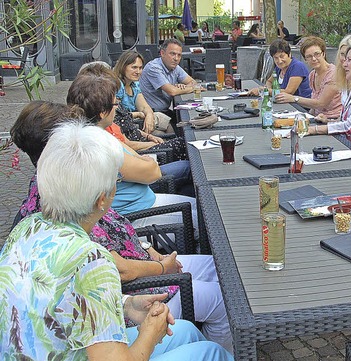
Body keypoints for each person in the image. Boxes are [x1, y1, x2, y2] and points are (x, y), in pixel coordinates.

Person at [10, 101, 232, 352]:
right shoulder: (90, 259)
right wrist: (150, 331)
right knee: (212, 346)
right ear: (101, 198)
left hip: (101, 313)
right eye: (116, 180)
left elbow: (70, 297)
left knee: (191, 329)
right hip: (97, 333)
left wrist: (127, 302)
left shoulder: (31, 223)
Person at [67, 72, 199, 234]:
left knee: (199, 204)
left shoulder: (80, 136)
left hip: (140, 204)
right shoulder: (100, 145)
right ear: (102, 112)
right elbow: (153, 172)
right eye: (115, 105)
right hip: (133, 218)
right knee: (205, 220)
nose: (117, 109)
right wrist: (144, 160)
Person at [79, 62, 192, 196]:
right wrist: (148, 153)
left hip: (139, 177)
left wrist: (148, 137)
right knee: (189, 162)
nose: (117, 106)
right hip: (139, 194)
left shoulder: (95, 131)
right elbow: (150, 171)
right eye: (115, 103)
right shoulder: (101, 142)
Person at [114, 51, 188, 159]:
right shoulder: (117, 86)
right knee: (165, 128)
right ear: (123, 67)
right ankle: (168, 150)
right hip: (131, 125)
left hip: (139, 123)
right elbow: (118, 115)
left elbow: (144, 106)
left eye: (140, 68)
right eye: (134, 67)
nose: (138, 71)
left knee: (163, 123)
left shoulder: (134, 85)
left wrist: (149, 116)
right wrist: (139, 114)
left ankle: (168, 150)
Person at [275, 36, 341, 119]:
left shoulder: (333, 74)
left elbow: (321, 103)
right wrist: (307, 118)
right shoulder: (313, 75)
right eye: (309, 56)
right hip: (317, 119)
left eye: (317, 54)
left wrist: (294, 99)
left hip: (333, 121)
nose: (313, 59)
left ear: (323, 54)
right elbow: (314, 108)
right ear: (305, 59)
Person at [139, 39, 196, 122]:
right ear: (162, 53)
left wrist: (184, 87)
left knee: (193, 121)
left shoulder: (175, 67)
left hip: (165, 112)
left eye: (179, 55)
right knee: (187, 125)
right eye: (172, 54)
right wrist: (189, 88)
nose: (176, 58)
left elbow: (193, 82)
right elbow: (172, 91)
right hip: (151, 114)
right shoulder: (154, 68)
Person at [333, 34, 351, 106]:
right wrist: (325, 118)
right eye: (342, 54)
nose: (344, 59)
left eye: (349, 57)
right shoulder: (344, 78)